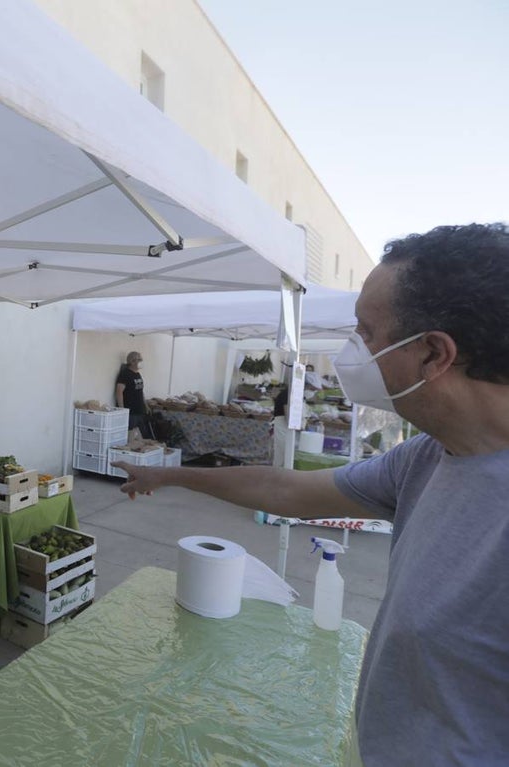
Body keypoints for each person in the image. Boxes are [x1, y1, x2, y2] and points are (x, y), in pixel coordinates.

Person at [111, 223, 509, 765]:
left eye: (367, 333)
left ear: (434, 355)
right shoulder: (427, 456)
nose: (354, 351)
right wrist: (170, 475)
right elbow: (284, 487)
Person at [115, 351, 150, 433]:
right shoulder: (125, 374)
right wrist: (122, 409)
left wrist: (146, 405)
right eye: (139, 359)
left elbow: (140, 391)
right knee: (130, 434)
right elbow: (119, 392)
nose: (141, 361)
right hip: (131, 412)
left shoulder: (137, 374)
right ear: (132, 361)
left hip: (140, 410)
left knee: (139, 435)